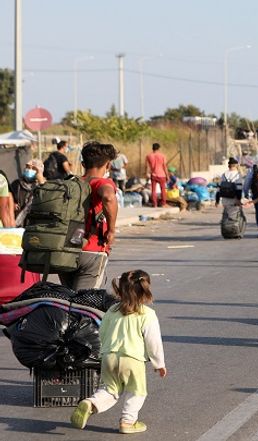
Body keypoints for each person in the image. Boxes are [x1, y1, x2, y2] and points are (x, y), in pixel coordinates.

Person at [70, 270, 166, 434]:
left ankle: (90, 403)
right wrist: (159, 363)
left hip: (109, 356)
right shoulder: (147, 314)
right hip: (132, 359)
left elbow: (102, 333)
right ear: (145, 290)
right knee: (137, 391)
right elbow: (153, 341)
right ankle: (128, 421)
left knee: (110, 389)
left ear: (120, 290)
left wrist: (105, 352)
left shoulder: (112, 310)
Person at [59, 142, 118, 290]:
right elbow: (108, 197)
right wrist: (111, 230)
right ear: (108, 166)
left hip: (66, 250)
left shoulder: (71, 183)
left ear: (83, 163)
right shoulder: (101, 182)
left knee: (69, 301)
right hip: (92, 250)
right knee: (85, 303)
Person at [10, 159, 46, 226]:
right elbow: (8, 199)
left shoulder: (44, 186)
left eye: (33, 168)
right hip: (17, 223)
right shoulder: (16, 184)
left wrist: (41, 181)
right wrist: (12, 204)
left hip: (34, 223)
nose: (29, 170)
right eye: (28, 167)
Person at [145, 143, 169, 208]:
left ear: (152, 148)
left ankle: (154, 204)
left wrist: (146, 174)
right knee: (163, 190)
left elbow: (147, 167)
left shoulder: (148, 156)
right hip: (162, 175)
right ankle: (163, 203)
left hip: (153, 174)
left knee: (153, 190)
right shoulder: (162, 156)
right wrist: (167, 175)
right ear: (159, 148)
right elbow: (164, 166)